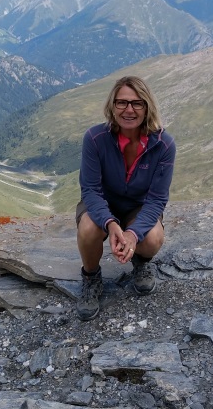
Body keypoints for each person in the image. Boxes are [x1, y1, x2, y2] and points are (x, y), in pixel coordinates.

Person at [75, 75, 175, 321]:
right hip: (102, 203)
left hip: (137, 207)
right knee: (88, 228)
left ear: (147, 107)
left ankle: (140, 261)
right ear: (112, 106)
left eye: (137, 103)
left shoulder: (164, 145)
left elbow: (157, 199)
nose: (129, 110)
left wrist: (132, 234)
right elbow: (91, 190)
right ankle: (91, 277)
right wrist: (110, 223)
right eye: (121, 102)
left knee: (152, 238)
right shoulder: (95, 138)